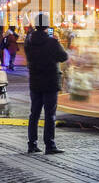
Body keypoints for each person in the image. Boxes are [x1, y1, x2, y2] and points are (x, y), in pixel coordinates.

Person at [24, 13, 68, 155]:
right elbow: (63, 57)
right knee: (50, 115)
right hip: (50, 82)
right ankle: (50, 144)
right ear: (47, 25)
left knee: (34, 114)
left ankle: (32, 144)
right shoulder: (52, 42)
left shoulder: (28, 42)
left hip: (35, 82)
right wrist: (58, 42)